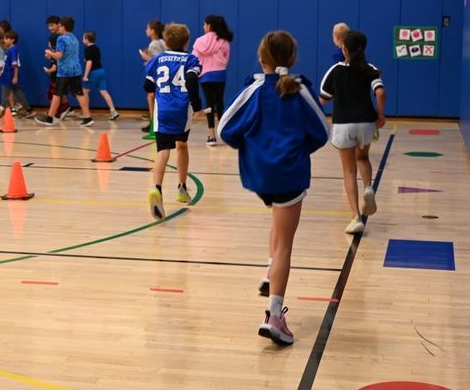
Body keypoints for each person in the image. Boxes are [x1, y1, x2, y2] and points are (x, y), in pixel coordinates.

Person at [218, 31, 329, 345]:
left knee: (277, 226)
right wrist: (297, 149)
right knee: (284, 246)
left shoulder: (252, 89)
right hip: (289, 174)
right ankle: (274, 315)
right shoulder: (299, 90)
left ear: (261, 57)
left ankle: (269, 270)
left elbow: (224, 129)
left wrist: (253, 148)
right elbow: (323, 132)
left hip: (260, 176)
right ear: (292, 58)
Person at [319, 30, 386, 234]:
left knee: (349, 171)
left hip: (343, 125)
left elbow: (323, 98)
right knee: (363, 158)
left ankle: (356, 217)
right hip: (366, 123)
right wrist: (380, 115)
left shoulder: (335, 71)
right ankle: (368, 187)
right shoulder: (369, 69)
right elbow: (380, 92)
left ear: (343, 49)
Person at [143, 23, 203, 219]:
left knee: (162, 152)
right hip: (181, 110)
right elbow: (192, 81)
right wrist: (198, 105)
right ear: (187, 43)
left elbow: (147, 85)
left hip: (162, 111)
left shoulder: (158, 59)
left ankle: (156, 189)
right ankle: (182, 188)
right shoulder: (191, 59)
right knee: (182, 146)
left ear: (166, 41)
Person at [36, 16, 93, 127]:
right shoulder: (74, 38)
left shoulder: (61, 39)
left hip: (65, 71)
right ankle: (88, 117)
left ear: (62, 26)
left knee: (57, 94)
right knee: (79, 94)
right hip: (76, 70)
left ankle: (49, 118)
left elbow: (59, 55)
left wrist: (50, 53)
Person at [193, 14, 233, 146]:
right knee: (219, 102)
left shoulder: (199, 41)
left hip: (205, 76)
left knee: (209, 105)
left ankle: (212, 136)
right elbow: (226, 60)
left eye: (204, 24)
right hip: (220, 74)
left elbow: (195, 59)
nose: (203, 27)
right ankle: (223, 133)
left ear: (209, 26)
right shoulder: (224, 41)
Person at [82, 31, 119, 120]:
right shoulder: (97, 48)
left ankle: (86, 113)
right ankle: (113, 111)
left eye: (83, 38)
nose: (82, 40)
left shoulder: (87, 49)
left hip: (93, 72)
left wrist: (86, 75)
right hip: (101, 71)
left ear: (87, 40)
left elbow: (89, 62)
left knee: (85, 91)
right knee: (104, 92)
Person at [139, 20, 166, 132]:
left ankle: (153, 122)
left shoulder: (153, 44)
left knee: (150, 96)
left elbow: (156, 61)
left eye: (148, 28)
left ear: (153, 31)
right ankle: (156, 121)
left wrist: (144, 56)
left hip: (156, 75)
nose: (146, 30)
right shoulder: (163, 42)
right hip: (164, 74)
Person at [0, 30, 34, 118]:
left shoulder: (13, 50)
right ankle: (28, 110)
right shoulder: (10, 50)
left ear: (13, 40)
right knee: (18, 93)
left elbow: (15, 64)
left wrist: (15, 77)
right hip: (8, 75)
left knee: (5, 93)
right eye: (4, 38)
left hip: (9, 76)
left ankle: (1, 111)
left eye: (7, 38)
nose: (5, 40)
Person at [44, 16, 71, 120]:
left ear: (59, 24)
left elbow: (57, 55)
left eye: (52, 25)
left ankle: (58, 110)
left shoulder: (56, 38)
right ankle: (63, 108)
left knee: (55, 92)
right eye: (49, 26)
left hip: (60, 69)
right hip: (64, 69)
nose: (50, 27)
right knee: (62, 91)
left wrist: (53, 66)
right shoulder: (65, 37)